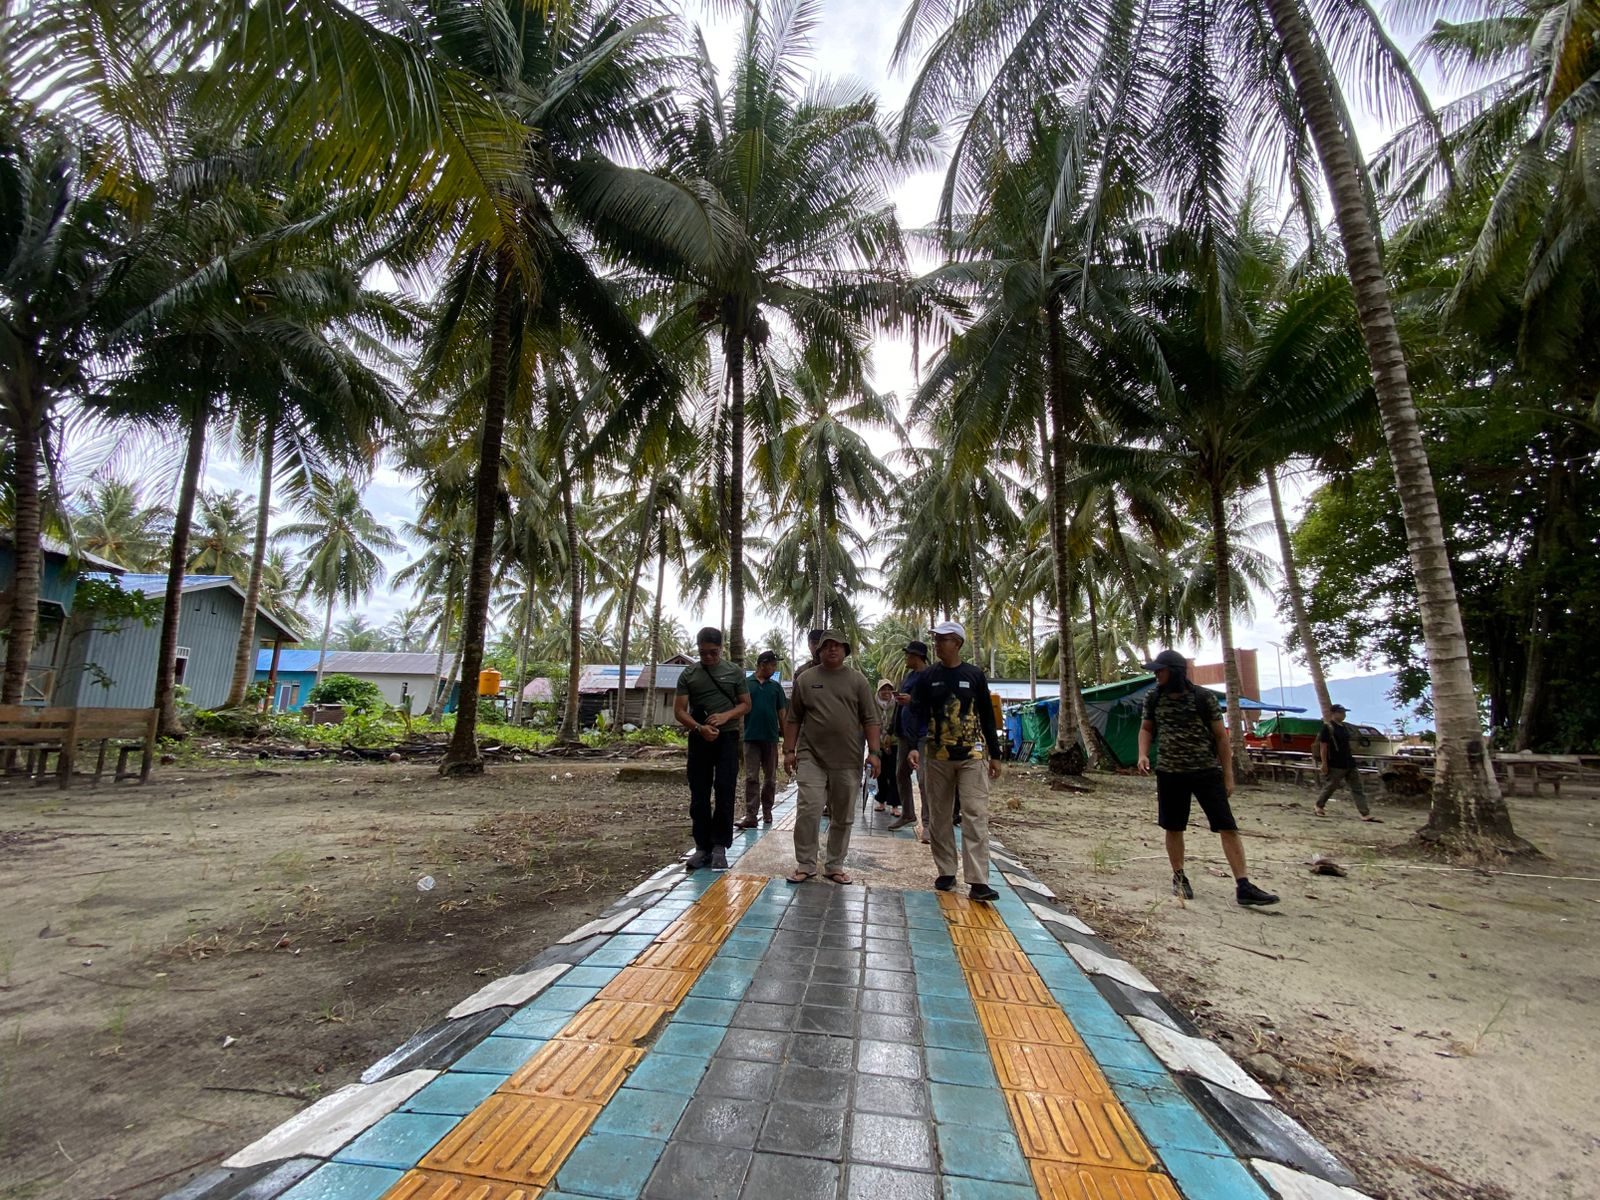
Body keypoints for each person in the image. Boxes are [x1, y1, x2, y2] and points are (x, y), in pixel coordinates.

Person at [1136, 649, 1278, 907]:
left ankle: (1243, 885)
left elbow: (1221, 737)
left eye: (1161, 670)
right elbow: (1146, 728)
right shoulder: (1153, 697)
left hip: (1206, 771)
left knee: (1227, 826)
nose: (1156, 675)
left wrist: (1228, 775)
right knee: (1173, 826)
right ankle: (1179, 877)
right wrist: (1143, 754)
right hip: (1170, 772)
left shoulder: (1203, 697)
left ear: (1176, 671)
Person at [907, 622, 1002, 903]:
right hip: (938, 757)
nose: (937, 645)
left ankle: (978, 880)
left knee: (974, 813)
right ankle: (947, 871)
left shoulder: (974, 675)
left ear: (957, 643)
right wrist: (913, 746)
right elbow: (917, 712)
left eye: (943, 640)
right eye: (935, 640)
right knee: (939, 814)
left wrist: (995, 755)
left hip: (972, 756)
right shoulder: (928, 677)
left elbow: (986, 714)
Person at [782, 630, 881, 885]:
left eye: (837, 646)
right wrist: (789, 751)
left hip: (848, 759)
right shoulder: (806, 679)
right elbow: (793, 718)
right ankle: (805, 863)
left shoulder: (858, 681)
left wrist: (875, 753)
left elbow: (870, 719)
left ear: (845, 651)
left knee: (843, 815)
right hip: (811, 756)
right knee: (809, 810)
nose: (832, 650)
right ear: (819, 651)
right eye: (827, 646)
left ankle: (834, 865)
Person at [673, 627, 751, 871]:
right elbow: (679, 711)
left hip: (727, 738)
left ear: (722, 648)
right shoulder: (689, 674)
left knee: (725, 790)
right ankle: (701, 847)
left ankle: (719, 846)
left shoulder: (734, 672)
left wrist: (725, 716)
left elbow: (745, 705)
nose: (708, 657)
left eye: (713, 653)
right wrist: (699, 728)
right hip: (699, 739)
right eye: (703, 653)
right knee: (699, 793)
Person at [737, 650, 787, 829]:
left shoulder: (775, 687)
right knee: (751, 777)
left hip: (771, 738)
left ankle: (767, 811)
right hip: (751, 737)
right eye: (772, 665)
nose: (774, 668)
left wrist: (787, 739)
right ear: (762, 664)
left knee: (770, 778)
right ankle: (751, 815)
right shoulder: (746, 684)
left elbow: (782, 714)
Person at [887, 640, 929, 840]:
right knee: (900, 774)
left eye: (909, 655)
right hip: (905, 734)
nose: (906, 658)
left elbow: (934, 706)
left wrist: (913, 702)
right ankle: (908, 813)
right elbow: (899, 707)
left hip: (923, 735)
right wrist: (891, 730)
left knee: (923, 779)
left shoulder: (929, 678)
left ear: (918, 657)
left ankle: (928, 823)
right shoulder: (908, 677)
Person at [1314, 704, 1377, 821]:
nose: (1343, 715)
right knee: (1331, 786)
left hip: (1349, 761)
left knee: (1357, 787)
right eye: (1341, 712)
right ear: (1334, 713)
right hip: (1335, 763)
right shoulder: (1328, 728)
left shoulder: (1344, 727)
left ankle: (1365, 813)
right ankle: (1319, 805)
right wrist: (1324, 763)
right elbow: (1323, 746)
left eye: (1344, 712)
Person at [873, 679, 902, 818]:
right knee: (880, 772)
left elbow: (899, 722)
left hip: (894, 742)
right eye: (883, 689)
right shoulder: (873, 705)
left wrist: (890, 737)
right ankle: (881, 800)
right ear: (878, 691)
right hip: (877, 742)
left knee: (893, 774)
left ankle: (895, 805)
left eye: (889, 689)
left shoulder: (897, 704)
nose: (886, 692)